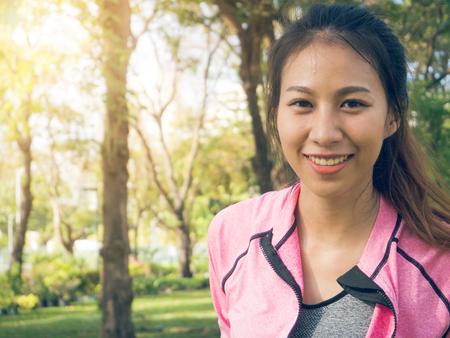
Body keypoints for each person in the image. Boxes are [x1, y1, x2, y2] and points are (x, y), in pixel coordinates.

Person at [207, 3, 450, 338]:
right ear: (276, 114)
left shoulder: (441, 262)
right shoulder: (231, 234)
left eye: (352, 103)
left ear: (392, 117)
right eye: (302, 103)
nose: (324, 133)